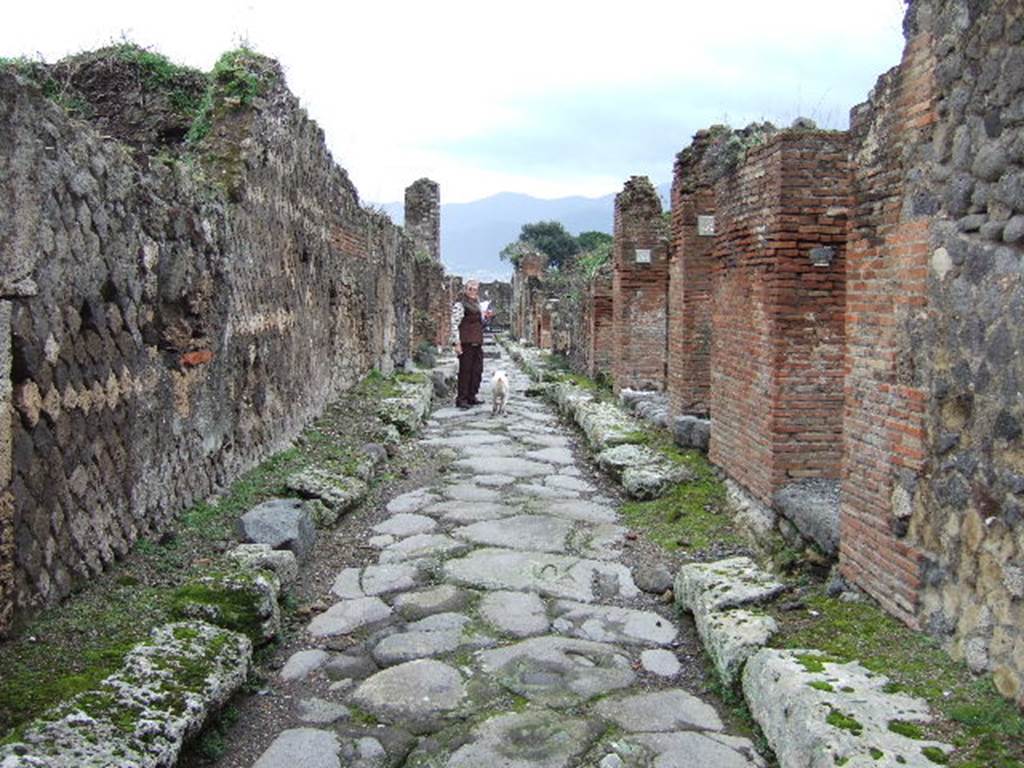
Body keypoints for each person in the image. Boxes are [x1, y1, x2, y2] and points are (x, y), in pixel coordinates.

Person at [451, 280, 484, 408]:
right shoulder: (460, 305)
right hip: (466, 343)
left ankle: (472, 395)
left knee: (477, 371)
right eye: (470, 289)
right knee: (465, 371)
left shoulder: (477, 304)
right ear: (465, 290)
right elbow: (454, 324)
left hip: (477, 342)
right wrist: (456, 343)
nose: (473, 291)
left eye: (475, 289)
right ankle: (462, 399)